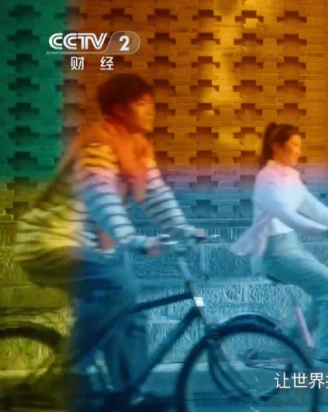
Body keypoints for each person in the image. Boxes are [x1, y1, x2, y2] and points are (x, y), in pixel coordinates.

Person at [13, 73, 204, 411]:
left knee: (131, 318)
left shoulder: (137, 147)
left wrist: (182, 229)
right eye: (141, 103)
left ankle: (130, 394)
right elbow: (102, 199)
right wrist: (132, 239)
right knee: (120, 287)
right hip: (50, 240)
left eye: (151, 103)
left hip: (88, 245)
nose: (151, 110)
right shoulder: (98, 146)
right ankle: (67, 373)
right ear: (118, 108)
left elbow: (156, 195)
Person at [230, 122, 328, 367]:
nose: (299, 151)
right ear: (277, 147)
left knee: (324, 295)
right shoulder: (267, 178)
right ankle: (327, 352)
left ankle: (290, 344)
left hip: (292, 247)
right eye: (295, 145)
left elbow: (312, 207)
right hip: (275, 252)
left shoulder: (291, 176)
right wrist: (326, 232)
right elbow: (287, 215)